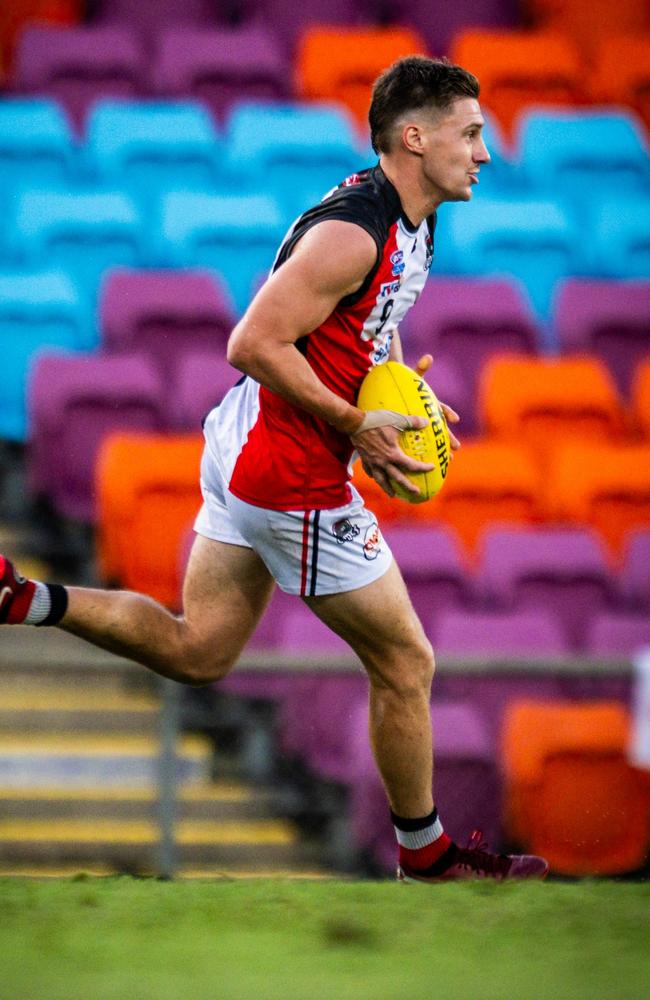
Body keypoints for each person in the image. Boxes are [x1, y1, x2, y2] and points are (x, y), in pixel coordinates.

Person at [1, 56, 548, 882]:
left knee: (201, 651)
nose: (484, 152)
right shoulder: (353, 232)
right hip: (289, 474)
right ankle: (427, 858)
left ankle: (24, 596)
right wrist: (358, 423)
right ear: (414, 137)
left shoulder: (414, 219)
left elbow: (370, 322)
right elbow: (251, 342)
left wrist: (404, 396)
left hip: (247, 445)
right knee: (407, 662)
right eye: (470, 133)